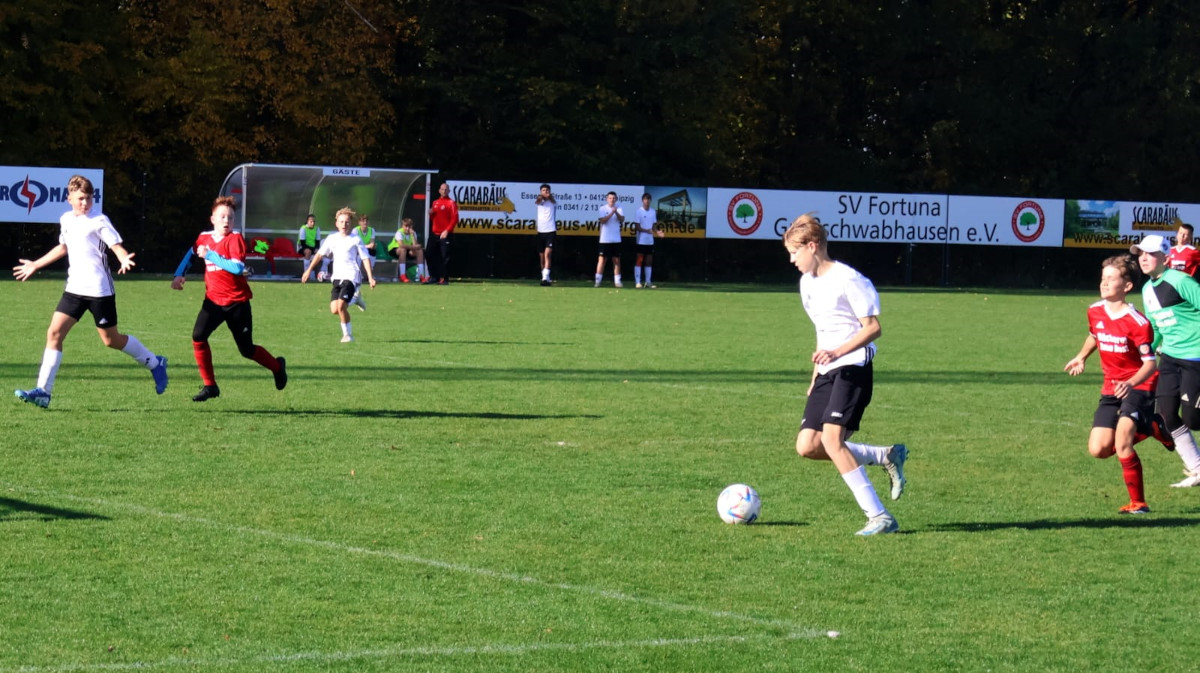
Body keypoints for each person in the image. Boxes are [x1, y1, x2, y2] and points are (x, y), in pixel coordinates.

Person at [784, 213, 907, 536]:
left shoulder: (849, 279)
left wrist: (837, 353)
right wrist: (815, 375)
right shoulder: (806, 283)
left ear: (813, 246)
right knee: (807, 446)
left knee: (832, 440)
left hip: (853, 367)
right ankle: (884, 455)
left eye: (795, 252)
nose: (792, 259)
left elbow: (873, 328)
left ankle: (880, 516)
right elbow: (823, 329)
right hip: (827, 368)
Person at [12, 175, 168, 408]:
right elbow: (63, 247)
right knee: (54, 333)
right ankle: (43, 391)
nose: (85, 203)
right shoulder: (66, 219)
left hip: (99, 290)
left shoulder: (99, 220)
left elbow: (115, 245)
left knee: (111, 340)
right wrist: (36, 264)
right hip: (74, 289)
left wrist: (123, 257)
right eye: (80, 199)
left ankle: (155, 363)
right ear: (69, 199)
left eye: (89, 198)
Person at [1064, 254, 1174, 514]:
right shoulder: (1094, 310)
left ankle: (1139, 504)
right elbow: (1095, 335)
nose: (1104, 283)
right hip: (1111, 387)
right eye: (1103, 278)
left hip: (1140, 384)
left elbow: (1150, 364)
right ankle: (1153, 427)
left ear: (1127, 286)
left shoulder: (1138, 323)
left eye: (1111, 279)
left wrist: (1131, 382)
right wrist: (1081, 357)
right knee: (1099, 449)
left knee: (1123, 440)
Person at [170, 196, 288, 402]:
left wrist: (210, 255)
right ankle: (210, 386)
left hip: (237, 303)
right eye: (222, 216)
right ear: (212, 219)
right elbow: (192, 253)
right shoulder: (204, 237)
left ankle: (277, 367)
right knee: (198, 336)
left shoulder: (235, 239)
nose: (227, 221)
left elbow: (236, 268)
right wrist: (179, 274)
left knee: (246, 350)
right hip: (213, 302)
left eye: (231, 217)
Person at [1131, 234, 1200, 487]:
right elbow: (1156, 328)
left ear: (1165, 257)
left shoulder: (1180, 280)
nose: (1144, 258)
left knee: (1194, 420)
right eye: (1141, 253)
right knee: (1167, 414)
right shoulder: (1147, 289)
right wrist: (1145, 352)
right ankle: (1198, 469)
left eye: (1150, 253)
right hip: (1170, 358)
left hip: (1195, 356)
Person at [301, 207, 376, 342]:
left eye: (347, 222)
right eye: (341, 222)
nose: (344, 224)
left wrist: (370, 277)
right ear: (336, 223)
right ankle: (355, 299)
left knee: (341, 306)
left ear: (350, 224)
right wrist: (308, 270)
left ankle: (348, 335)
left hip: (351, 276)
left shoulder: (356, 239)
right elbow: (319, 255)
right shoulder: (332, 238)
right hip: (337, 277)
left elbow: (365, 258)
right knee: (335, 310)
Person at [426, 182, 458, 285]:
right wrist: (431, 214)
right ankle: (433, 277)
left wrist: (447, 230)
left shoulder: (451, 203)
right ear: (439, 190)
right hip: (434, 234)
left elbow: (455, 218)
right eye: (442, 189)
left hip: (445, 234)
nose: (444, 191)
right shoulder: (435, 202)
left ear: (449, 191)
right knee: (429, 254)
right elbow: (433, 218)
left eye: (446, 189)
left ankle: (445, 279)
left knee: (445, 257)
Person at [633, 192, 664, 289]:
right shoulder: (639, 211)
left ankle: (648, 282)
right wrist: (646, 231)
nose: (647, 201)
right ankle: (638, 282)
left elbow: (653, 226)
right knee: (639, 260)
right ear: (642, 200)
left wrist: (658, 232)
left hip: (650, 241)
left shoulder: (653, 212)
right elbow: (637, 227)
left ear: (650, 201)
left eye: (648, 199)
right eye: (645, 199)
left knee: (649, 261)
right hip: (641, 240)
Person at [595, 191, 625, 288]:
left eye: (614, 198)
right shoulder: (602, 208)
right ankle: (598, 281)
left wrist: (616, 212)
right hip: (605, 239)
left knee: (616, 260)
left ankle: (617, 281)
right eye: (610, 198)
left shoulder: (619, 208)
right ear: (607, 199)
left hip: (616, 239)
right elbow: (603, 220)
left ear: (616, 199)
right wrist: (612, 212)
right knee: (602, 260)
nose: (612, 200)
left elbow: (622, 219)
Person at [387, 217, 428, 283]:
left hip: (407, 249)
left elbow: (415, 245)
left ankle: (421, 275)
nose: (407, 228)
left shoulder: (413, 233)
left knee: (419, 251)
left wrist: (413, 236)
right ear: (402, 226)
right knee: (403, 250)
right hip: (394, 250)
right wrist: (414, 247)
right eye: (406, 226)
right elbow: (401, 245)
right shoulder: (399, 232)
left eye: (409, 226)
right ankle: (402, 275)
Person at [535, 184, 557, 286]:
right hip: (540, 231)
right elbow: (538, 201)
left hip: (550, 230)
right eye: (543, 190)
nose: (545, 191)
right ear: (541, 191)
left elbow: (552, 200)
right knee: (542, 256)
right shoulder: (539, 201)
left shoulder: (553, 201)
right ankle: (546, 278)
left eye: (547, 190)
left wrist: (548, 196)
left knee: (547, 254)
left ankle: (545, 278)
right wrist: (542, 196)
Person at [297, 214, 330, 281]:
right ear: (307, 221)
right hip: (302, 247)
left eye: (314, 221)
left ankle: (323, 271)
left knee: (326, 253)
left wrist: (316, 249)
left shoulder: (317, 228)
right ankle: (307, 273)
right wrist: (314, 250)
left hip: (313, 248)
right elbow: (303, 243)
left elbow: (317, 242)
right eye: (311, 221)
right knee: (308, 252)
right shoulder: (303, 228)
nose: (313, 223)